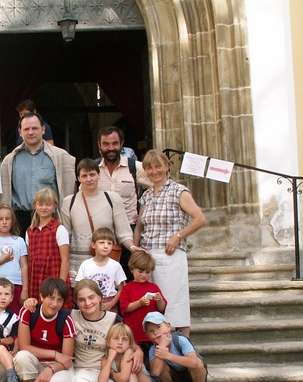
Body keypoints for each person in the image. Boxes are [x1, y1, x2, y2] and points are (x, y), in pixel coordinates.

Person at [134, 149, 207, 336]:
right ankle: (157, 349)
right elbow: (140, 227)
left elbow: (200, 219)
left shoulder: (178, 191)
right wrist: (136, 251)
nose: (154, 171)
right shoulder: (147, 195)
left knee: (175, 302)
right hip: (148, 257)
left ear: (167, 166)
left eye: (158, 166)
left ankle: (183, 345)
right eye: (149, 167)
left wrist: (178, 236)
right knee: (152, 303)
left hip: (171, 254)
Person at [63, 279, 141, 382]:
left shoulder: (114, 319)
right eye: (81, 300)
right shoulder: (70, 316)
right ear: (76, 301)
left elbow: (131, 343)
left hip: (107, 371)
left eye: (91, 297)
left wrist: (139, 352)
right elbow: (47, 311)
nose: (87, 303)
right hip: (81, 371)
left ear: (100, 297)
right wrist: (31, 303)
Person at [61, 158, 140, 277]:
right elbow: (66, 237)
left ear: (99, 175)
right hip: (79, 266)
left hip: (106, 263)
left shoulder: (113, 199)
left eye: (92, 174)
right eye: (84, 175)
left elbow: (123, 233)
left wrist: (133, 247)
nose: (89, 179)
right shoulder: (69, 202)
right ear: (78, 178)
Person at [0, 112, 75, 231]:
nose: (31, 132)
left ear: (43, 129)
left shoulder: (60, 157)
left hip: (51, 219)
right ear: (20, 132)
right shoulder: (9, 161)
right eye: (26, 129)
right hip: (20, 220)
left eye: (35, 128)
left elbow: (68, 192)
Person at [14, 277, 76, 382]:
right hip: (36, 361)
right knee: (21, 357)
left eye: (59, 300)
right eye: (51, 298)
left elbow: (66, 359)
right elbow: (24, 346)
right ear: (41, 296)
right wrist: (54, 354)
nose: (54, 303)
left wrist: (51, 368)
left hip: (58, 366)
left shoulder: (65, 319)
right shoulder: (29, 312)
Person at [95, 126, 150, 279]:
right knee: (105, 278)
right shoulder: (94, 170)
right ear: (99, 145)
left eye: (115, 143)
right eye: (106, 144)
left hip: (131, 232)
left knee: (130, 276)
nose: (111, 148)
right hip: (103, 234)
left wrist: (145, 214)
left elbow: (157, 188)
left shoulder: (135, 167)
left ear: (122, 144)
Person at [98, 322, 184, 382]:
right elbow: (102, 381)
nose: (120, 342)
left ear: (130, 343)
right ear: (108, 342)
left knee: (131, 371)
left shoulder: (129, 352)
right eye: (115, 339)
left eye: (124, 339)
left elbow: (124, 378)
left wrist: (112, 374)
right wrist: (110, 359)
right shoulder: (107, 358)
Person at [143, 312, 210, 382]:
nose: (156, 332)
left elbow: (194, 363)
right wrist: (162, 347)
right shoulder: (153, 350)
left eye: (158, 327)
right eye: (151, 331)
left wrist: (167, 355)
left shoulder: (180, 340)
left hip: (192, 377)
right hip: (174, 380)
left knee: (198, 363)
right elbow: (156, 372)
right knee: (158, 363)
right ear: (148, 336)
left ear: (168, 326)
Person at [26, 188, 73, 310]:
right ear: (35, 205)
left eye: (48, 204)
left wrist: (61, 285)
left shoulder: (59, 229)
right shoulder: (30, 231)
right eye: (40, 204)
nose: (44, 207)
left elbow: (65, 259)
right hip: (36, 279)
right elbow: (29, 261)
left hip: (54, 275)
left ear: (55, 206)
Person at [118, 251, 167, 356]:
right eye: (140, 271)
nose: (144, 275)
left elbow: (161, 309)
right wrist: (139, 303)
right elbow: (125, 308)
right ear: (132, 269)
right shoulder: (127, 288)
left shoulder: (154, 287)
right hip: (134, 335)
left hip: (153, 336)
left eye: (148, 272)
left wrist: (160, 300)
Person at [75, 227, 127, 314]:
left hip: (109, 301)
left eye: (109, 243)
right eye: (102, 243)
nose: (106, 246)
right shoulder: (86, 264)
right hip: (89, 301)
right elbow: (79, 286)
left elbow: (121, 289)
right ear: (93, 245)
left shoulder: (115, 265)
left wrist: (112, 303)